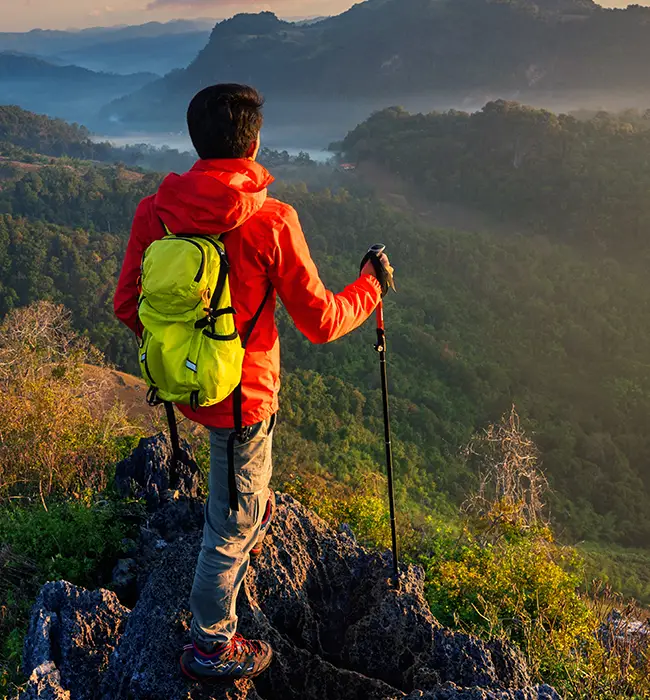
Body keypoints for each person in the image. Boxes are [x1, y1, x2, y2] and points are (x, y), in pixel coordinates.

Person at [114, 84, 391, 683]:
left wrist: (184, 352)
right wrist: (369, 288)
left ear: (195, 141)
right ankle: (210, 646)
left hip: (189, 389)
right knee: (229, 526)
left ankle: (245, 519)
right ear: (255, 142)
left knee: (240, 493)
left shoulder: (155, 212)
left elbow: (127, 305)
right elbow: (319, 322)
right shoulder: (272, 220)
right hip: (245, 399)